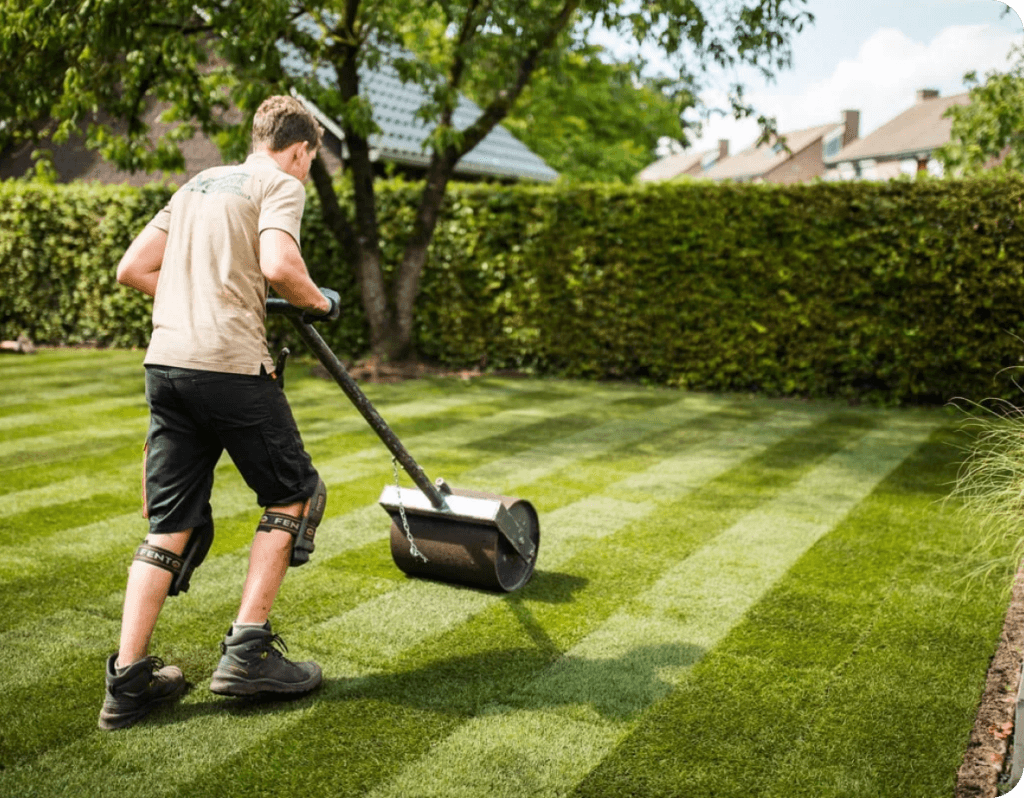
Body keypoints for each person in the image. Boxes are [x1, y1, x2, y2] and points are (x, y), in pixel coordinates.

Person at [99, 95, 339, 731]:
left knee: (170, 522)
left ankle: (127, 681)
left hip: (165, 366)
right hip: (229, 365)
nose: (306, 169)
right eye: (310, 159)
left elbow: (132, 268)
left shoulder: (198, 183)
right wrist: (319, 303)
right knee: (295, 493)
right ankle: (247, 654)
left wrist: (200, 294)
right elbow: (280, 266)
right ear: (299, 150)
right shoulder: (280, 183)